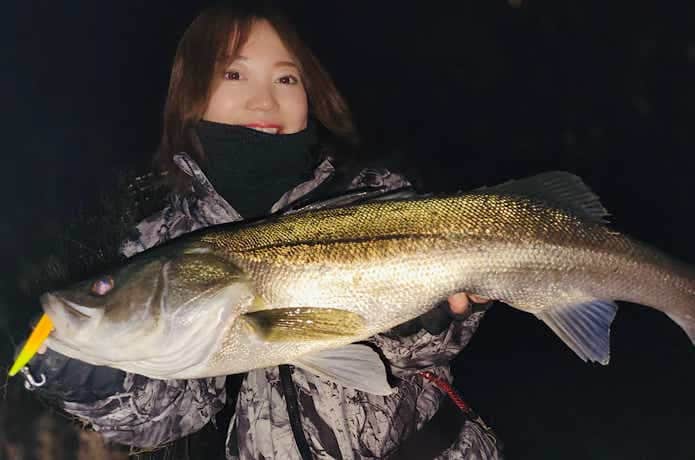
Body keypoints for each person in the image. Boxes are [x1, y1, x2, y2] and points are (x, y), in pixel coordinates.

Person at [19, 3, 502, 459]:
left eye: (287, 77)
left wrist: (428, 323)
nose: (265, 98)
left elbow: (423, 352)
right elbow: (167, 414)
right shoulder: (161, 237)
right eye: (234, 73)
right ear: (190, 92)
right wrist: (83, 375)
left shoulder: (375, 195)